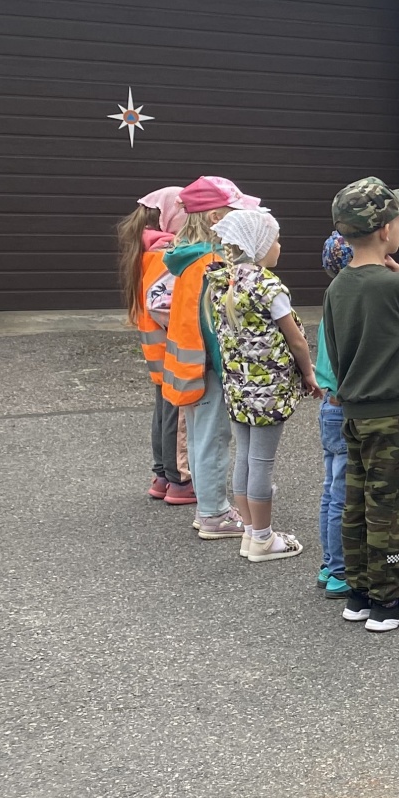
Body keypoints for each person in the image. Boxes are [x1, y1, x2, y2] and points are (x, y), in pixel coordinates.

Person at [323, 176, 399, 632]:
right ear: (384, 230)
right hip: (393, 413)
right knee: (389, 506)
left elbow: (335, 349)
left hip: (353, 410)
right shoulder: (397, 286)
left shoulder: (338, 286)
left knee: (356, 500)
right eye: (398, 219)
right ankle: (389, 599)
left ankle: (359, 589)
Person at [205, 207, 320, 562]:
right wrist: (309, 374)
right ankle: (264, 539)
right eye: (275, 240)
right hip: (268, 392)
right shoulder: (269, 287)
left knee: (245, 459)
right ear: (258, 246)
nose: (280, 246)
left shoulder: (221, 282)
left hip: (237, 388)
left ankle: (251, 534)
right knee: (262, 463)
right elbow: (297, 339)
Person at [160, 175, 261, 541]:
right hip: (208, 369)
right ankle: (214, 513)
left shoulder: (187, 258)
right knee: (213, 439)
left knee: (203, 437)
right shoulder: (213, 262)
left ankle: (209, 508)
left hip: (188, 366)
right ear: (217, 218)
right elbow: (214, 325)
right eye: (234, 213)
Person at [122, 186, 193, 504]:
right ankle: (180, 481)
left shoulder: (146, 252)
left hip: (158, 350)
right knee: (177, 417)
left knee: (163, 413)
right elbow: (162, 306)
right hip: (173, 349)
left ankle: (162, 476)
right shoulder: (166, 256)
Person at [314, 231, 353, 599]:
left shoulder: (329, 300)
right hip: (343, 405)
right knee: (342, 491)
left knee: (330, 489)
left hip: (327, 403)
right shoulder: (347, 301)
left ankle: (329, 562)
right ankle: (341, 568)